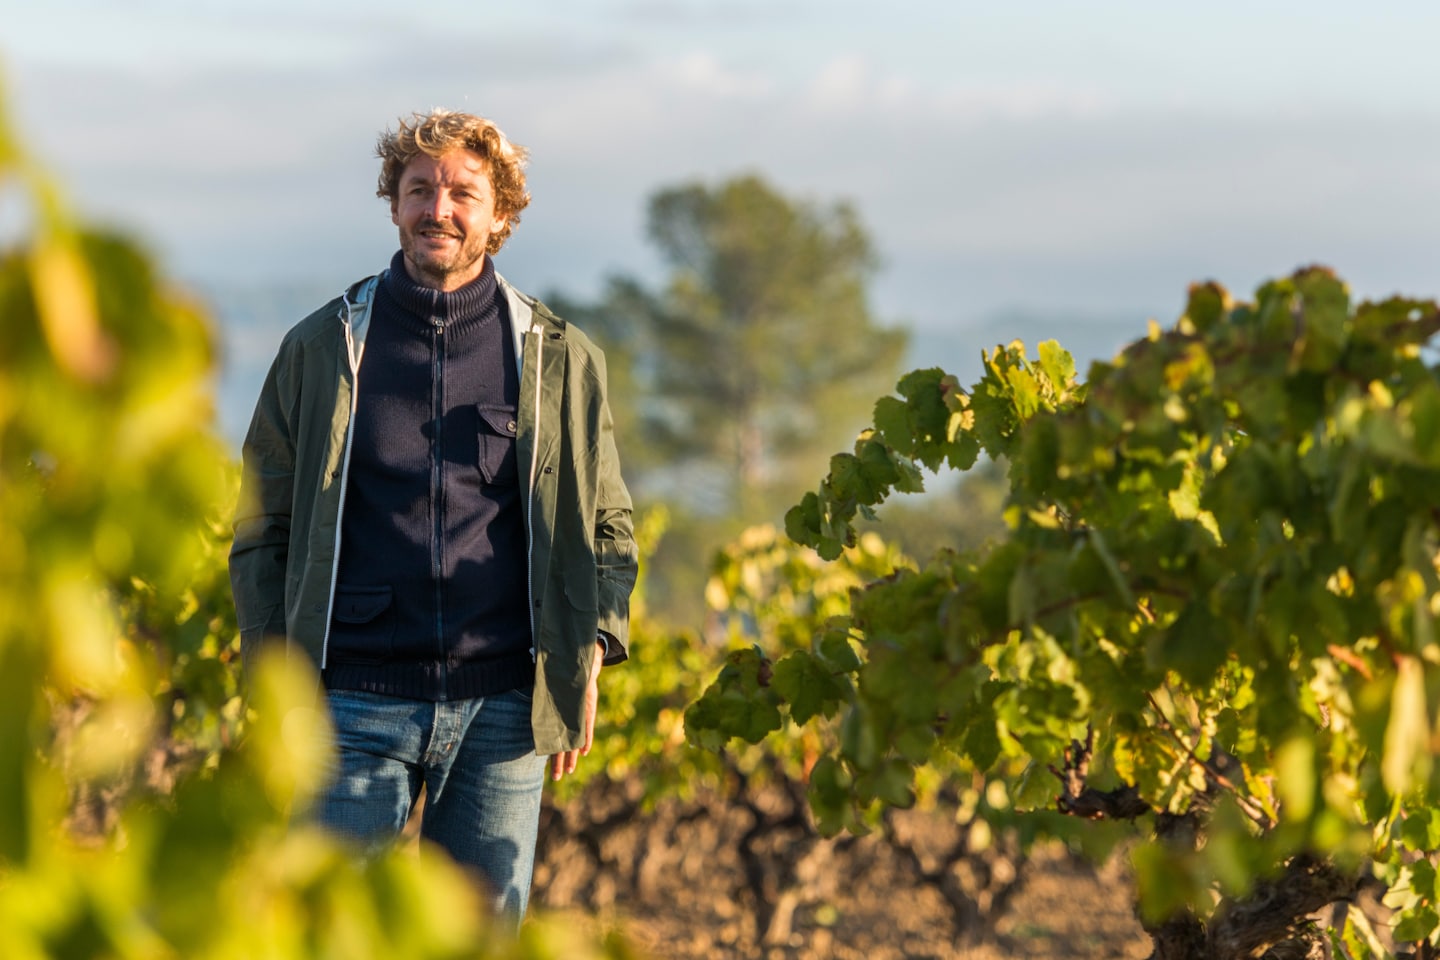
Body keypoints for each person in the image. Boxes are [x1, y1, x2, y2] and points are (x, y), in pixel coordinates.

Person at [229, 108, 638, 922]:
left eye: (462, 192)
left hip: (501, 715)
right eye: (419, 189)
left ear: (501, 214)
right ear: (393, 205)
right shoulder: (321, 349)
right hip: (347, 703)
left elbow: (608, 528)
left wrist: (592, 642)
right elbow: (260, 530)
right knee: (327, 933)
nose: (438, 209)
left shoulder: (559, 358)